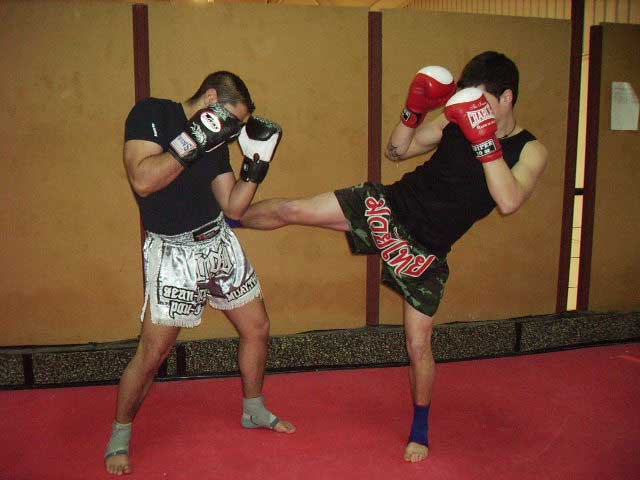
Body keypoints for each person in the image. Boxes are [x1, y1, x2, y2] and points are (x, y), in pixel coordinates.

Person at [240, 51, 547, 463]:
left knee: (418, 344)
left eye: (484, 102)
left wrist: (484, 139)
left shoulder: (531, 150)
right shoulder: (455, 117)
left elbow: (508, 200)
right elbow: (397, 151)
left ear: (507, 97)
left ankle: (420, 429)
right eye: (471, 101)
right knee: (293, 210)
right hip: (390, 207)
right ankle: (227, 218)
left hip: (427, 250)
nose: (476, 109)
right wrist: (414, 111)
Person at [105, 71, 295, 476]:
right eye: (232, 120)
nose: (233, 132)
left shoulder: (218, 141)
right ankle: (120, 431)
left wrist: (256, 166)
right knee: (153, 353)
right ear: (210, 99)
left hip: (218, 243)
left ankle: (254, 408)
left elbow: (234, 207)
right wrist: (194, 138)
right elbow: (143, 180)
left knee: (257, 327)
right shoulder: (152, 114)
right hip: (173, 252)